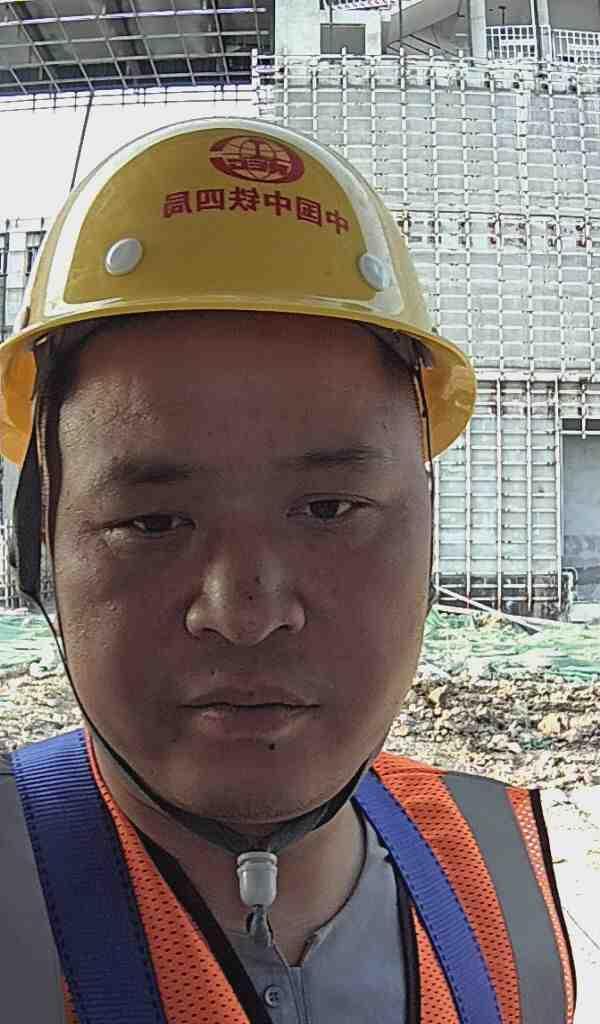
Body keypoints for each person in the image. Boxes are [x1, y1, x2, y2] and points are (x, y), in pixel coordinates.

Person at [0, 119, 576, 1024]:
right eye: (153, 522)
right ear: (41, 549)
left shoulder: (504, 890)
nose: (246, 613)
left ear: (428, 531)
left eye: (330, 510)